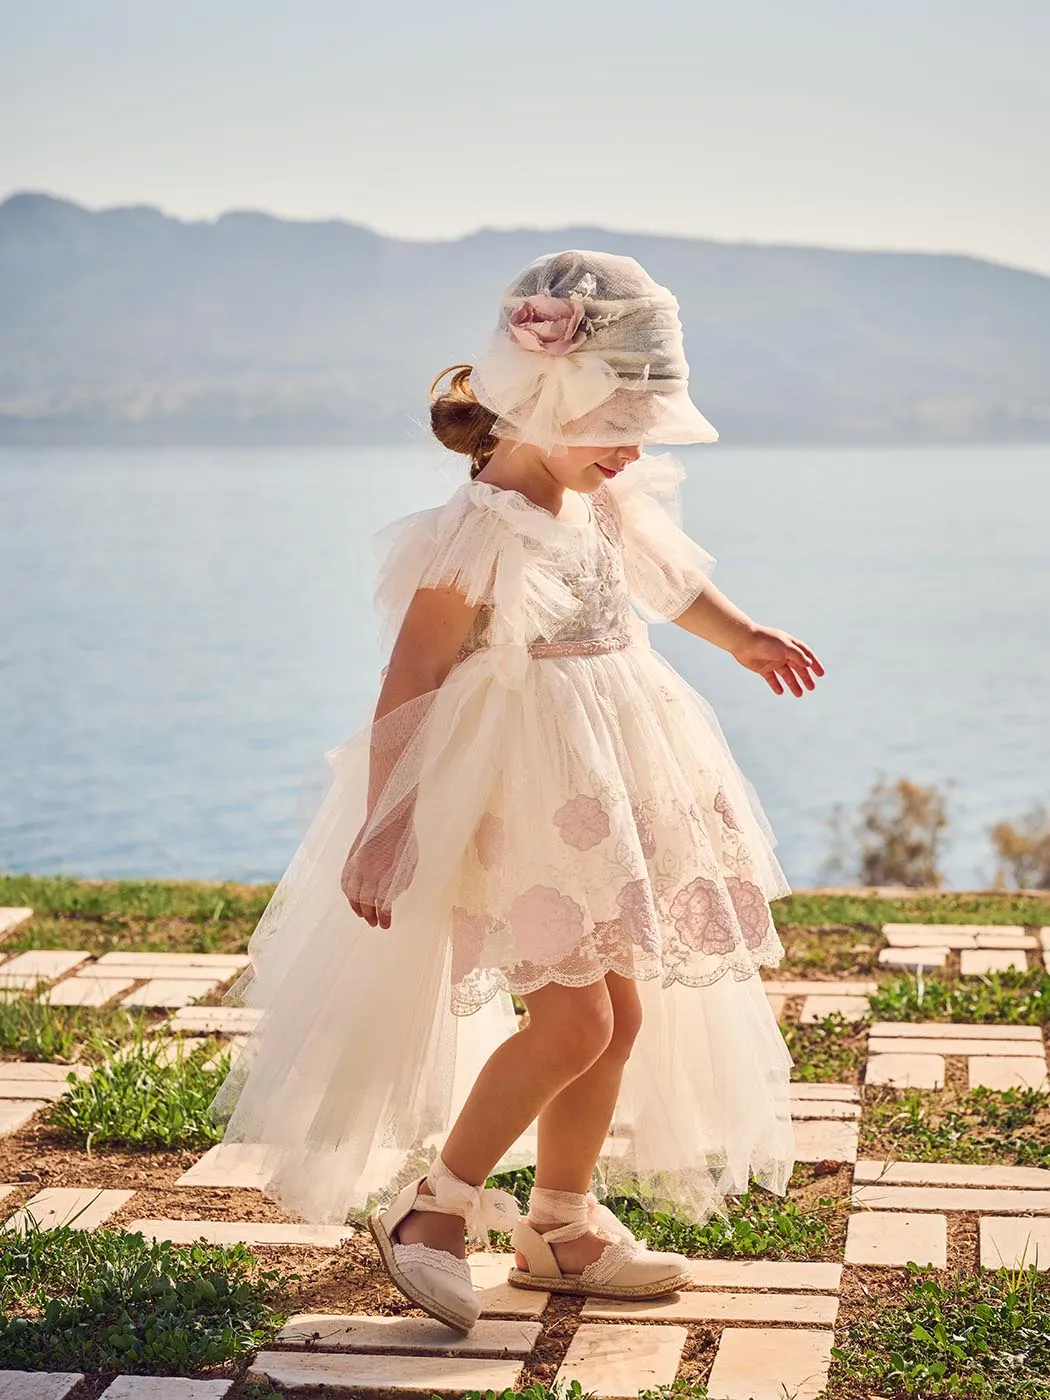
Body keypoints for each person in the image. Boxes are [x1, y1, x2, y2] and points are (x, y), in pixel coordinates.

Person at [207, 249, 824, 1335]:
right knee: (575, 1016)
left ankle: (562, 1221)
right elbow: (411, 678)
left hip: (609, 781)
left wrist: (742, 638)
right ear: (540, 402)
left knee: (618, 1009)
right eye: (617, 418)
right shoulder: (475, 532)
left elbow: (673, 582)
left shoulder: (603, 500)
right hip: (518, 793)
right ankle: (432, 1212)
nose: (635, 444)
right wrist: (386, 822)